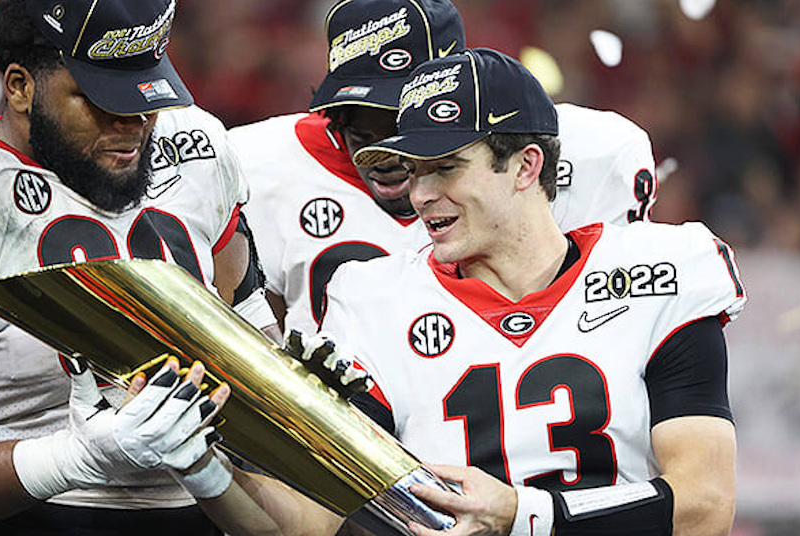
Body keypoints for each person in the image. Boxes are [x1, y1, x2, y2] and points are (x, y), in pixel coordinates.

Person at [187, 48, 746, 536]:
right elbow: (307, 524)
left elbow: (705, 507)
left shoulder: (656, 271)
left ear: (527, 166)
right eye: (413, 170)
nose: (420, 195)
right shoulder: (373, 300)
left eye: (445, 168)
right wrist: (201, 464)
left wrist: (521, 514)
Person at [0, 0, 278, 534]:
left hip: (207, 510)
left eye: (146, 97)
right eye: (101, 100)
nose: (134, 125)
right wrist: (79, 457)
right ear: (20, 86)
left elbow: (253, 349)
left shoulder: (197, 148)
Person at [228, 0, 657, 336]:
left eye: (404, 124)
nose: (388, 153)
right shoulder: (252, 162)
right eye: (364, 128)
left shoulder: (584, 148)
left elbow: (619, 322)